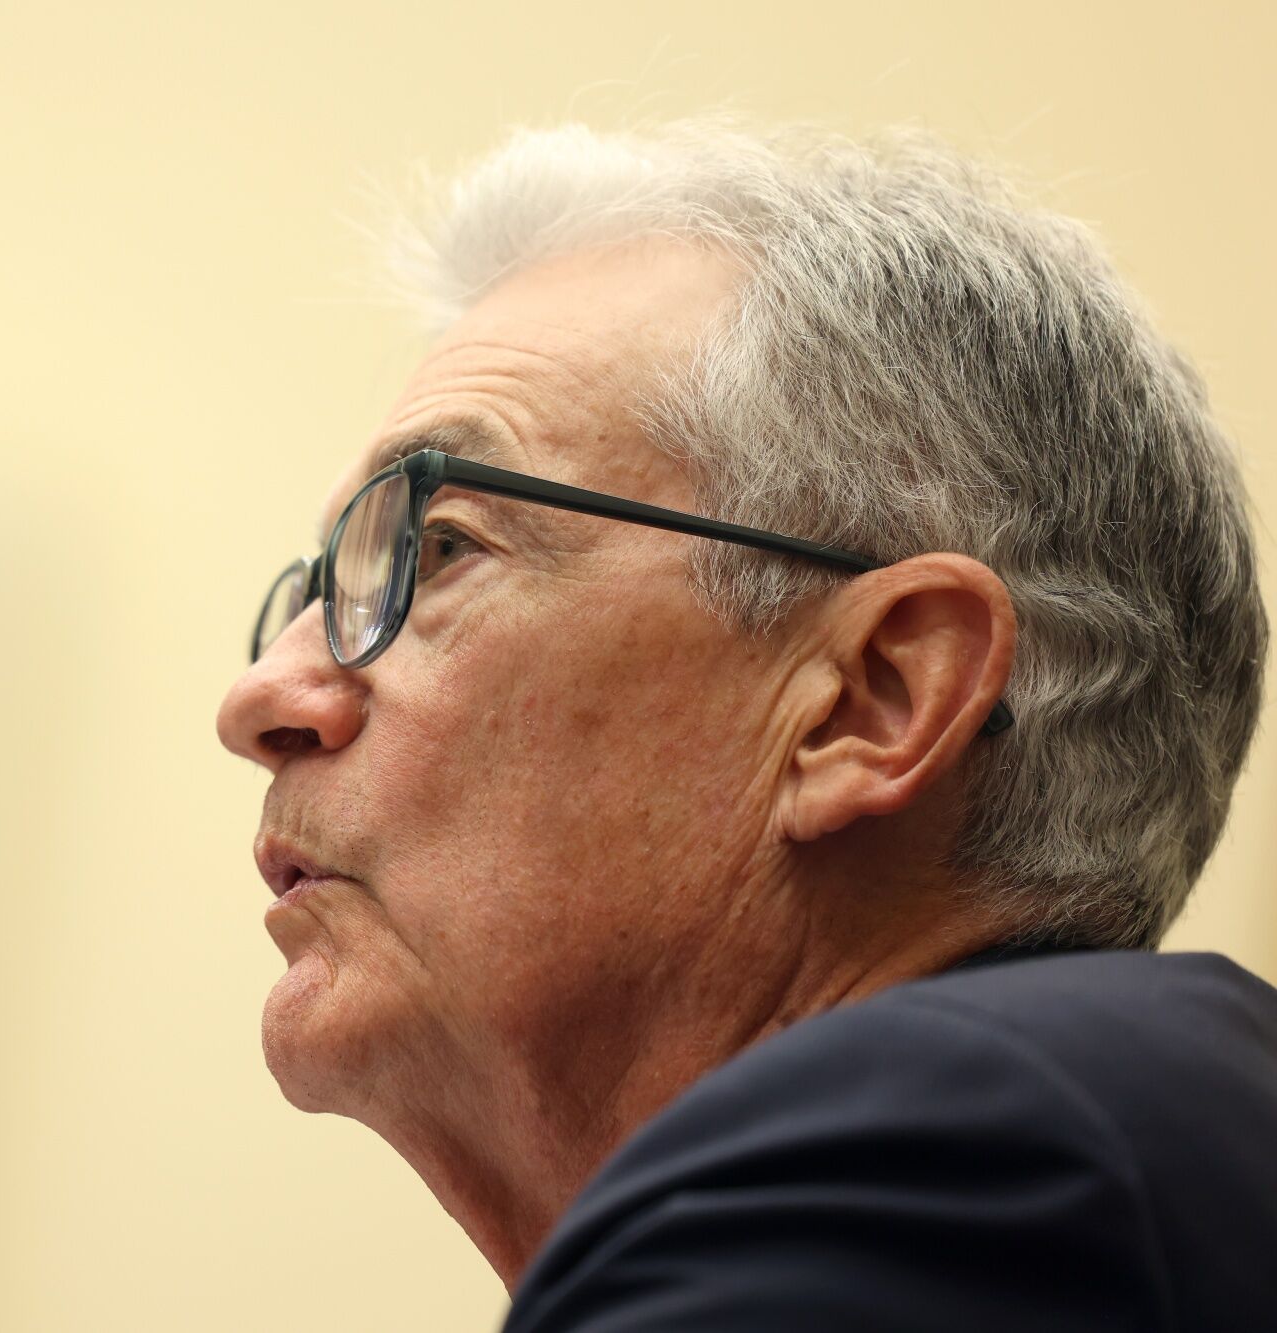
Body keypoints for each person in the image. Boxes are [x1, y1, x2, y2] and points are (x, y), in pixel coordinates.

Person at [215, 120, 1271, 1331]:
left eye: (438, 547)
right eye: (320, 589)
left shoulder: (951, 1162)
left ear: (869, 699)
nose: (262, 696)